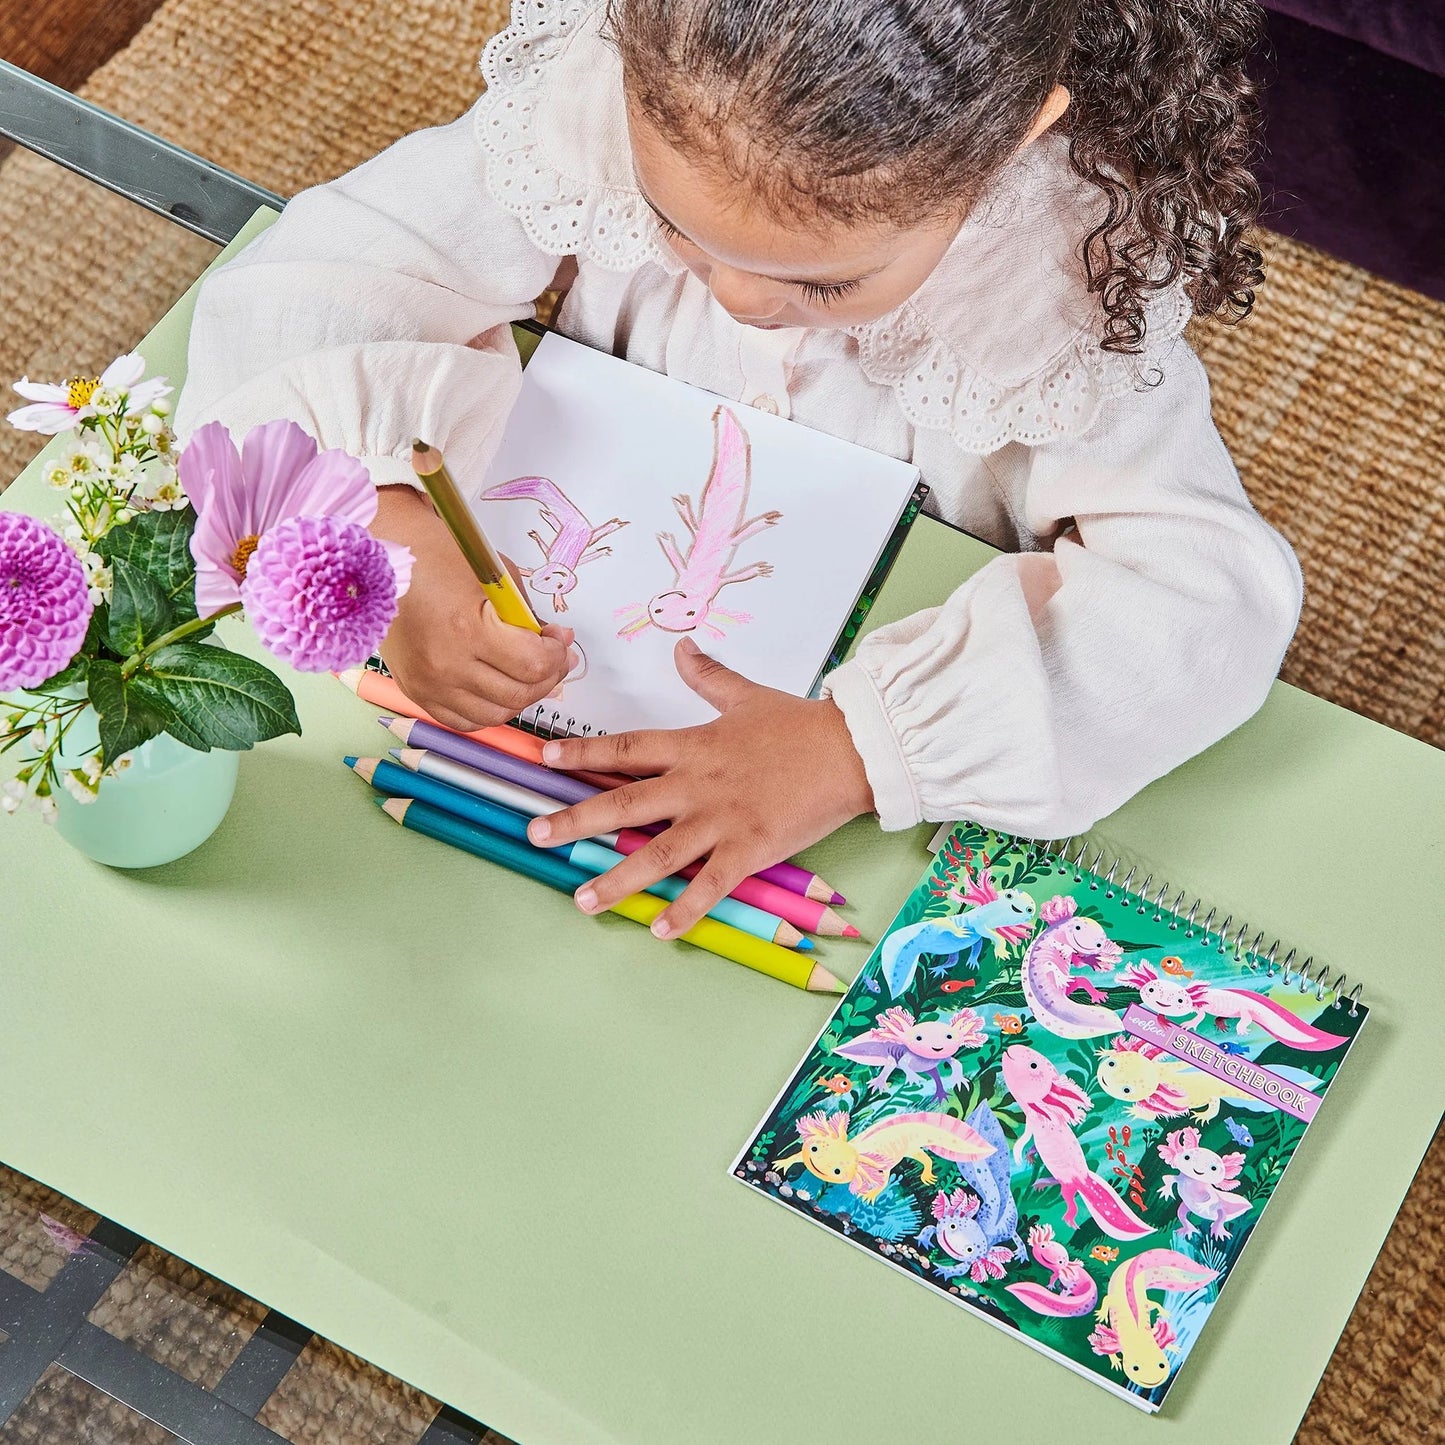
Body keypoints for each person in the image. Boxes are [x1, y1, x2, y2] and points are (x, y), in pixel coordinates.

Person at [177, 0, 1300, 940]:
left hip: (831, 794)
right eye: (673, 230)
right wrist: (389, 526)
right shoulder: (617, 93)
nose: (737, 300)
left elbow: (1208, 595)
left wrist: (861, 748)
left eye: (821, 287)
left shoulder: (1057, 293)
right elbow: (319, 281)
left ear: (1010, 145)